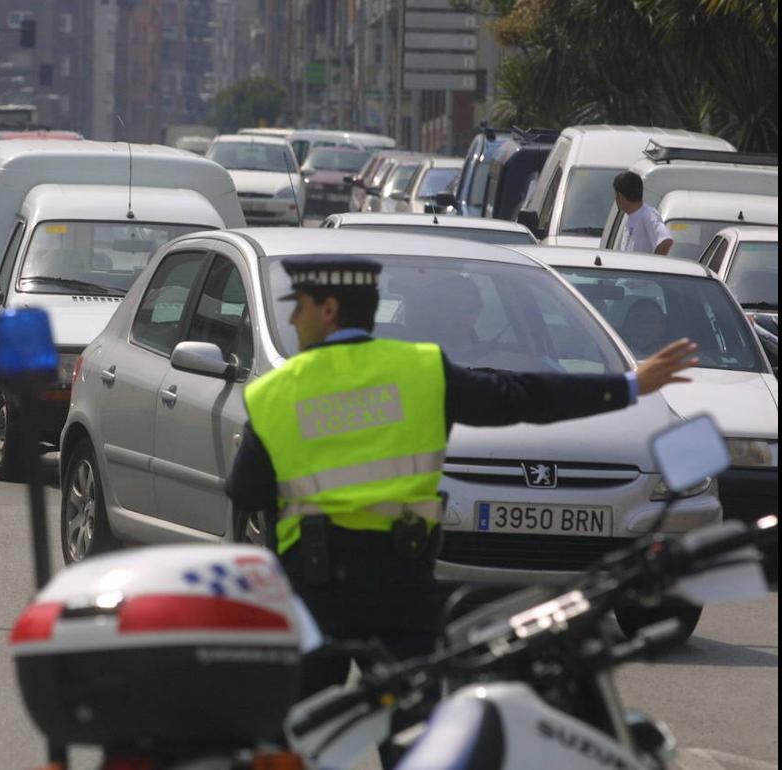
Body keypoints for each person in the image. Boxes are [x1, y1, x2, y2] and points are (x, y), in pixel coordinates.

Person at [224, 255, 700, 695]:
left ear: (328, 310)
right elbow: (521, 396)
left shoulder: (275, 392)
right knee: (413, 727)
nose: (292, 319)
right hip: (400, 583)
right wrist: (629, 384)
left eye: (299, 308)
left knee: (309, 726)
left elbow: (246, 491)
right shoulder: (421, 370)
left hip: (314, 584)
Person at [614, 171, 674, 255]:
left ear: (620, 196)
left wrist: (655, 265)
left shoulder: (648, 215)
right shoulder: (632, 215)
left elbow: (666, 241)